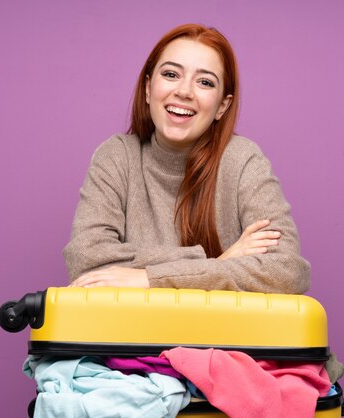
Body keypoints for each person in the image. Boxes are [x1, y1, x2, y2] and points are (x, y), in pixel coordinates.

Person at [63, 23, 310, 294]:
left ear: (222, 106)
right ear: (148, 89)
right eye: (171, 74)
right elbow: (87, 264)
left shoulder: (243, 161)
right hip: (132, 335)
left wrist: (149, 279)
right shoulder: (116, 157)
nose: (184, 91)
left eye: (204, 82)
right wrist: (217, 261)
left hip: (220, 335)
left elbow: (287, 272)